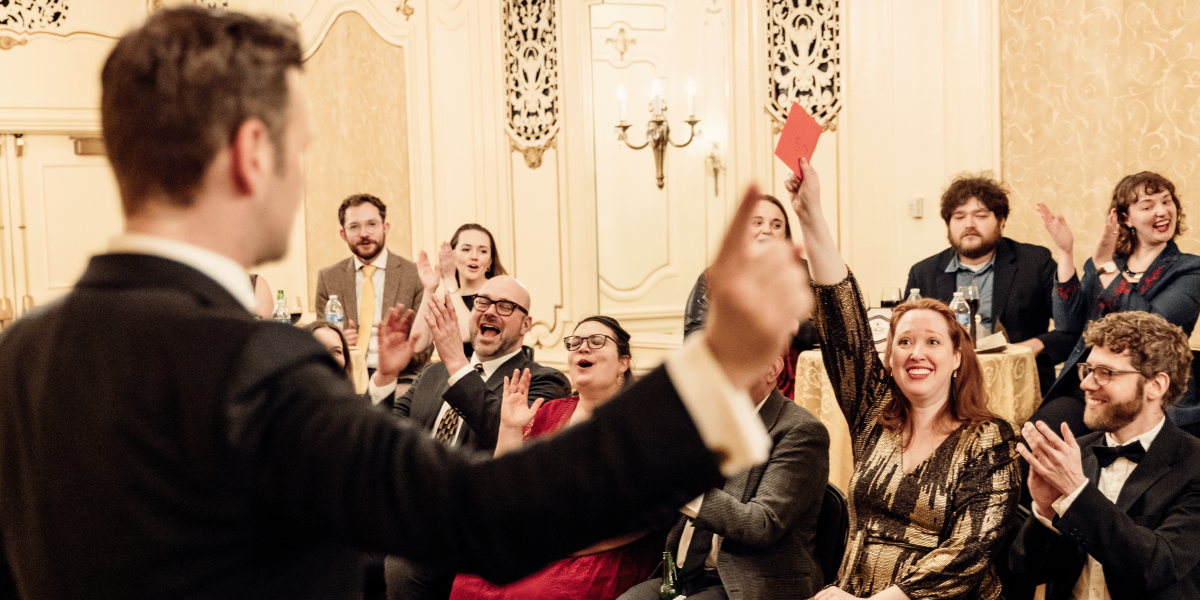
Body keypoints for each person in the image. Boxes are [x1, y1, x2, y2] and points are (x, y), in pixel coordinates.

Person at [0, 7, 811, 599]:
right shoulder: (251, 367)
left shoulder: (22, 350)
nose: (304, 173)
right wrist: (716, 375)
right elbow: (482, 513)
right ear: (252, 151)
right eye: (302, 146)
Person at [789, 159, 1020, 600]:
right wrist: (810, 215)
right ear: (889, 359)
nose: (916, 353)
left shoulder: (991, 439)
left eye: (933, 343)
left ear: (957, 358)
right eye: (904, 342)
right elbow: (843, 323)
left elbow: (968, 552)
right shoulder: (873, 413)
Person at [378, 276, 571, 600]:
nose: (490, 311)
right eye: (483, 302)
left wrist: (456, 362)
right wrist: (385, 376)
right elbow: (385, 435)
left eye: (505, 306)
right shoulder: (433, 373)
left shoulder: (543, 380)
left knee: (405, 563)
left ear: (526, 325)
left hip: (469, 522)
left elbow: (511, 436)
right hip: (409, 509)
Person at [450, 316, 662, 600]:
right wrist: (510, 427)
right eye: (575, 343)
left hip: (603, 548)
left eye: (596, 342)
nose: (582, 348)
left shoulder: (642, 419)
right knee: (470, 580)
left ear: (623, 362)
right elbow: (506, 488)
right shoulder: (551, 411)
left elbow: (649, 516)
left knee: (535, 592)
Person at [1008, 311, 1200, 599]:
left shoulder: (1193, 463)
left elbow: (1156, 567)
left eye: (1106, 372)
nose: (1085, 384)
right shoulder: (1079, 453)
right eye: (1089, 369)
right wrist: (1046, 512)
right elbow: (1026, 571)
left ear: (1156, 385)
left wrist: (1076, 492)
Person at [618, 353, 830, 600]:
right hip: (681, 576)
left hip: (746, 582)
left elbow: (763, 523)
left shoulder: (800, 430)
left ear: (773, 369)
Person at [1034, 172, 1200, 437]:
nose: (1162, 211)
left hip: (1150, 392)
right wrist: (1066, 253)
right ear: (1126, 218)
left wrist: (1107, 268)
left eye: (1167, 202)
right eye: (1147, 206)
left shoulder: (1191, 269)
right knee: (1039, 437)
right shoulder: (1105, 263)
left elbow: (1152, 330)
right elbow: (1069, 324)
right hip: (1094, 384)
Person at [904, 174, 1074, 395]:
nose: (969, 224)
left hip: (1017, 385)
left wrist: (1033, 346)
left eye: (981, 215)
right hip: (944, 389)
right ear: (948, 225)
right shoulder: (923, 273)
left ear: (1002, 221)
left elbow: (1071, 327)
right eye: (959, 216)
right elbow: (907, 337)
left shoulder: (1035, 262)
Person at [683, 194, 818, 399]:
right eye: (757, 223)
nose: (766, 230)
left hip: (800, 388)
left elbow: (834, 332)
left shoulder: (805, 274)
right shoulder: (715, 276)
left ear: (785, 234)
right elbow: (694, 335)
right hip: (734, 384)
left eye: (776, 225)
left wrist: (797, 327)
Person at [315, 193, 427, 392]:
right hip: (346, 379)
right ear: (343, 234)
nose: (364, 233)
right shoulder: (328, 278)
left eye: (372, 224)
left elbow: (425, 347)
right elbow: (319, 341)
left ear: (385, 228)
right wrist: (338, 342)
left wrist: (396, 355)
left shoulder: (415, 275)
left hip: (401, 377)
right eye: (354, 226)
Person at [411, 223, 507, 359]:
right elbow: (417, 344)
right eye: (466, 249)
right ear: (452, 256)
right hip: (448, 375)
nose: (474, 256)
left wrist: (449, 280)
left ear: (490, 261)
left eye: (483, 251)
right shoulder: (445, 296)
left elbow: (469, 334)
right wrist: (429, 289)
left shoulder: (499, 292)